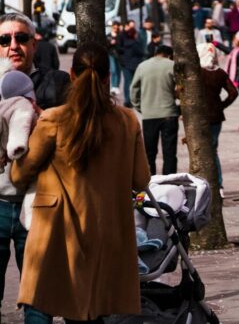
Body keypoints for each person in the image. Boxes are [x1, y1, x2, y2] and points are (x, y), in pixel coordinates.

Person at [12, 42, 149, 323]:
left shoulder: (54, 119)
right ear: (108, 77)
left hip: (57, 231)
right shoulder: (127, 121)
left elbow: (20, 174)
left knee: (44, 305)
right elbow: (141, 179)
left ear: (72, 74)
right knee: (92, 309)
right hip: (106, 229)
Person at [0, 13, 69, 315]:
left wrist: (42, 118)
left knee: (39, 300)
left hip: (41, 203)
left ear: (34, 43)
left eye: (21, 38)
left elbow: (76, 137)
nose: (13, 45)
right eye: (4, 39)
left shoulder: (57, 83)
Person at [130, 44, 179, 175]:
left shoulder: (142, 66)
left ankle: (150, 179)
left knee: (149, 152)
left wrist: (140, 107)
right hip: (169, 113)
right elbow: (181, 88)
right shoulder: (171, 65)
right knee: (169, 151)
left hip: (149, 115)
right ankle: (169, 179)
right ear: (169, 55)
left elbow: (133, 89)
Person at [196, 43, 238, 191]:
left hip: (198, 116)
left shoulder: (196, 73)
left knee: (198, 150)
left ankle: (203, 182)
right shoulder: (220, 73)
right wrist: (221, 105)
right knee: (213, 150)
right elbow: (233, 93)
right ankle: (218, 183)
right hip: (216, 116)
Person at [117, 22, 146, 108]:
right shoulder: (135, 43)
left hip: (126, 65)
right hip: (135, 65)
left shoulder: (125, 44)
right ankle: (135, 99)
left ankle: (127, 100)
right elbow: (141, 52)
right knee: (136, 83)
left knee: (127, 82)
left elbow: (120, 51)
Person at [107, 21, 123, 95]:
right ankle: (113, 86)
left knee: (118, 71)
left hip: (119, 55)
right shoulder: (108, 36)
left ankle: (116, 86)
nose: (115, 29)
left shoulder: (120, 36)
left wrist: (116, 43)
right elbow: (105, 45)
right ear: (112, 27)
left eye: (117, 28)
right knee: (113, 70)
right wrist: (110, 43)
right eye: (114, 27)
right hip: (111, 55)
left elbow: (122, 46)